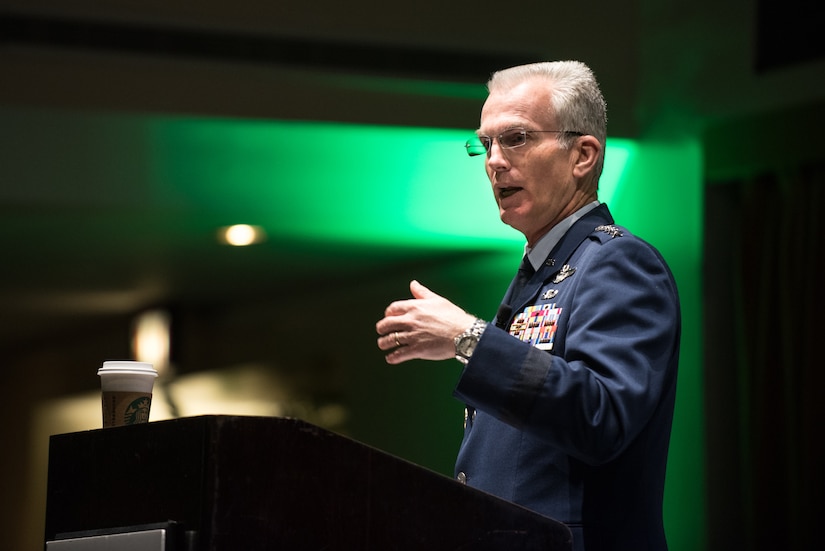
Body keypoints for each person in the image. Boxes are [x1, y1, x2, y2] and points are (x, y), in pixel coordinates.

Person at [375, 61, 680, 551]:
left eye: (515, 138)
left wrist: (468, 340)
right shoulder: (543, 271)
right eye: (486, 143)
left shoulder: (618, 263)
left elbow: (600, 416)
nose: (494, 160)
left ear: (583, 154)